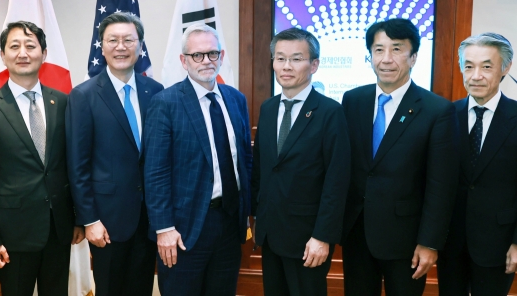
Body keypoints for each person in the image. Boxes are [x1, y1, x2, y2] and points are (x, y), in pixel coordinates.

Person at [341, 18, 459, 295]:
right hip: (357, 233)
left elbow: (441, 185)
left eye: (396, 49)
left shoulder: (437, 110)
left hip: (407, 239)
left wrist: (429, 243)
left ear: (413, 57)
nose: (386, 59)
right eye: (379, 50)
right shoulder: (352, 100)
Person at [0, 21, 83, 296]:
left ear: (43, 54)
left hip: (58, 228)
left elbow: (71, 166)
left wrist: (78, 218)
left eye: (30, 46)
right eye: (15, 46)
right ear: (3, 54)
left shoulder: (63, 102)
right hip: (12, 235)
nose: (23, 53)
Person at [144, 24, 252, 295]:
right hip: (184, 229)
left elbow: (245, 161)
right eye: (197, 55)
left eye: (212, 53)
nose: (206, 61)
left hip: (228, 223)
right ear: (184, 60)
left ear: (222, 56)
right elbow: (155, 172)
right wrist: (164, 228)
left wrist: (248, 211)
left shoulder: (235, 99)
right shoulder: (165, 103)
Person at [66, 12, 163, 296]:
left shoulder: (155, 91)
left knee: (142, 288)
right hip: (107, 222)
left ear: (140, 46)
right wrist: (90, 220)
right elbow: (77, 165)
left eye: (128, 40)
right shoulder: (83, 96)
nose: (121, 47)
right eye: (113, 40)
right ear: (102, 47)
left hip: (149, 219)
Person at [251, 28, 351, 295]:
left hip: (308, 239)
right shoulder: (268, 108)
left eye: (296, 59)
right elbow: (262, 169)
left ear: (314, 65)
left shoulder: (331, 113)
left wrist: (322, 236)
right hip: (271, 235)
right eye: (280, 58)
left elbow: (336, 181)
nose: (286, 66)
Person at [437, 33, 517, 295]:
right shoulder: (446, 115)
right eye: (468, 66)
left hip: (499, 243)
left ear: (505, 68)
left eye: (486, 66)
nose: (475, 76)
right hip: (450, 243)